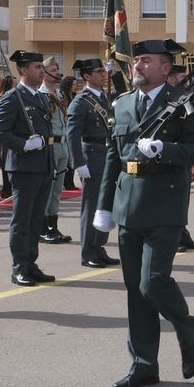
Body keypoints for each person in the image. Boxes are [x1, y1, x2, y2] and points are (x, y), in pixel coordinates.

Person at [91, 39, 194, 387]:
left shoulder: (182, 105)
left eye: (145, 61)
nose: (137, 65)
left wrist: (165, 150)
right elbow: (114, 156)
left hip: (165, 205)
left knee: (152, 282)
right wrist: (104, 204)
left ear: (165, 68)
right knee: (135, 293)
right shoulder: (123, 103)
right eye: (136, 60)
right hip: (128, 205)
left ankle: (187, 329)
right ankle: (143, 364)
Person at [0, 50, 58, 286]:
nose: (42, 70)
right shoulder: (12, 97)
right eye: (37, 67)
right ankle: (19, 267)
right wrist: (23, 144)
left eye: (42, 66)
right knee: (22, 220)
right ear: (22, 71)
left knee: (35, 219)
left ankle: (31, 263)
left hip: (43, 165)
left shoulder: (40, 97)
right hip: (24, 167)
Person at [68, 58, 119, 269]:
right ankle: (88, 251)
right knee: (91, 208)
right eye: (99, 71)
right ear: (87, 76)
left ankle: (99, 247)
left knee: (105, 205)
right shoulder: (81, 102)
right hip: (92, 156)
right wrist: (79, 163)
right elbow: (72, 135)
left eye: (103, 71)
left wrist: (116, 74)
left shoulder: (104, 98)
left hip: (106, 155)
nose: (103, 74)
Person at [39, 57, 73, 246]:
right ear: (45, 72)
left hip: (62, 145)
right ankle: (43, 227)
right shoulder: (41, 94)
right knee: (48, 188)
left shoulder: (60, 94)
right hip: (50, 145)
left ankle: (53, 225)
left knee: (58, 190)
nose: (57, 73)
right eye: (53, 69)